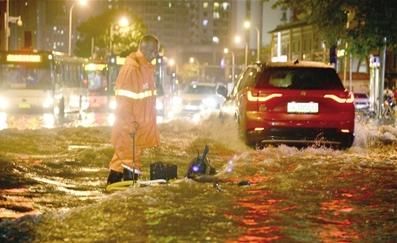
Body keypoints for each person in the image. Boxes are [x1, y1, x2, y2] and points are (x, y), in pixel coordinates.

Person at [107, 35, 160, 184]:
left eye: (156, 51)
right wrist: (130, 125)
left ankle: (112, 188)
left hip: (136, 129)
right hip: (130, 129)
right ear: (143, 49)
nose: (155, 54)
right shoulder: (133, 69)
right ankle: (126, 194)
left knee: (120, 161)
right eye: (153, 51)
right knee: (131, 163)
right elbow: (123, 102)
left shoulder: (145, 69)